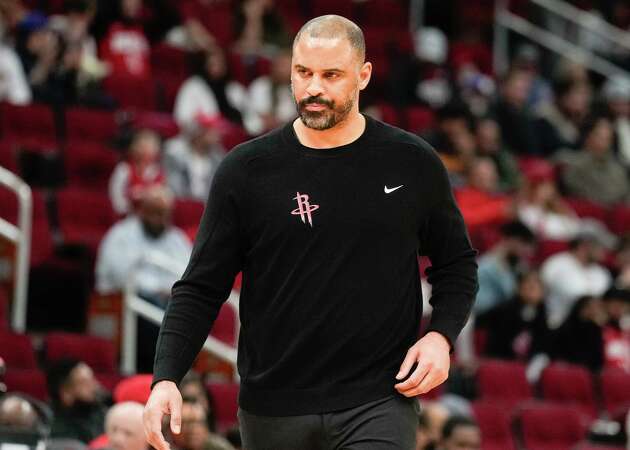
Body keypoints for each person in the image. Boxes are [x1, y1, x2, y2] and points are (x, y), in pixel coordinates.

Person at [144, 15, 478, 450]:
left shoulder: (412, 162)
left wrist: (441, 336)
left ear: (363, 75)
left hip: (378, 399)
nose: (313, 88)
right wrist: (166, 376)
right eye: (303, 73)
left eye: (331, 75)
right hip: (273, 404)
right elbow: (201, 287)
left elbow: (456, 264)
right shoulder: (247, 170)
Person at [541, 232, 611, 328]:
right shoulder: (557, 264)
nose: (602, 251)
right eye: (598, 247)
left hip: (589, 328)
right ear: (583, 246)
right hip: (556, 323)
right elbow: (542, 290)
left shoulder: (602, 273)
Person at [479, 270, 550, 361]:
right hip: (500, 360)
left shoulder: (544, 314)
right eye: (528, 285)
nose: (531, 290)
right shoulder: (504, 309)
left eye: (536, 286)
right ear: (519, 288)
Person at [46, 359, 107, 442]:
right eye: (85, 383)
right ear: (65, 393)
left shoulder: (101, 412)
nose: (95, 386)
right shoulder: (53, 426)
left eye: (93, 379)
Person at [109, 129, 166, 216]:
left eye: (150, 147)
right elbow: (116, 194)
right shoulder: (124, 169)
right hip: (127, 215)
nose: (146, 151)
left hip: (150, 217)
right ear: (135, 148)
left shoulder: (158, 172)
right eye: (143, 147)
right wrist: (126, 210)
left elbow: (162, 196)